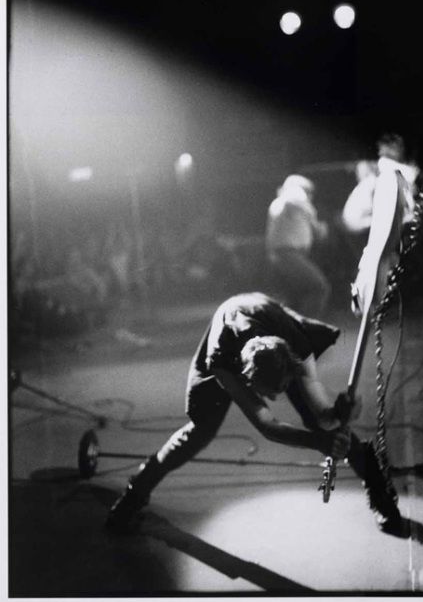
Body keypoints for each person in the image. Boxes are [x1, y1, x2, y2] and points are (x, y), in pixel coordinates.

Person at [107, 292, 403, 535]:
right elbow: (267, 425)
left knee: (319, 423)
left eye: (283, 387)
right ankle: (137, 491)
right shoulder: (221, 360)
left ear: (292, 365)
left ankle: (380, 494)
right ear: (248, 380)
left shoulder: (296, 347)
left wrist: (336, 414)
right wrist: (318, 443)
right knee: (201, 431)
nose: (276, 398)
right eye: (269, 392)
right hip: (226, 336)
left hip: (269, 315)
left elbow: (321, 410)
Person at [266, 174, 331, 317]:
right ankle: (306, 330)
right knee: (318, 287)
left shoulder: (288, 205)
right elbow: (320, 233)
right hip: (288, 255)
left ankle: (292, 332)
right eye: (307, 191)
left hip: (287, 256)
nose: (310, 196)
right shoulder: (291, 203)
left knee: (294, 298)